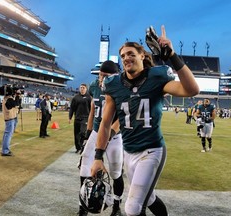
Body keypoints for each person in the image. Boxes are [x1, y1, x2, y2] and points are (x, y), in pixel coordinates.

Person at [91, 25, 199, 216]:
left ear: (142, 55)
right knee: (148, 199)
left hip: (152, 150)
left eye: (131, 53)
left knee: (132, 208)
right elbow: (106, 124)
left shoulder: (157, 77)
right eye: (123, 56)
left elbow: (191, 90)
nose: (126, 58)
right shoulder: (113, 84)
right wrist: (98, 157)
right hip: (129, 151)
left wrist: (173, 56)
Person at [78, 60, 124, 216]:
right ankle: (82, 206)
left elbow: (123, 117)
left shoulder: (121, 87)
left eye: (106, 76)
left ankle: (116, 205)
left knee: (116, 172)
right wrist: (88, 131)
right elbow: (93, 108)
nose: (102, 79)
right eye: (100, 75)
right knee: (85, 164)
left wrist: (109, 135)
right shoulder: (94, 86)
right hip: (97, 132)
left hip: (114, 135)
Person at [69, 84, 92, 153]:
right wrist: (70, 117)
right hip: (77, 118)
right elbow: (72, 108)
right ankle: (78, 148)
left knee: (82, 132)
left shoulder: (89, 97)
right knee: (76, 134)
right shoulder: (75, 97)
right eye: (81, 87)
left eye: (83, 88)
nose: (82, 89)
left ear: (86, 89)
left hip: (85, 118)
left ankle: (82, 146)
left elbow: (92, 109)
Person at [1, 86, 18, 156]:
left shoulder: (6, 98)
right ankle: (5, 151)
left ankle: (4, 149)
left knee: (6, 135)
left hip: (9, 118)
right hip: (10, 118)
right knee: (8, 135)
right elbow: (16, 104)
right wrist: (17, 97)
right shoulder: (9, 99)